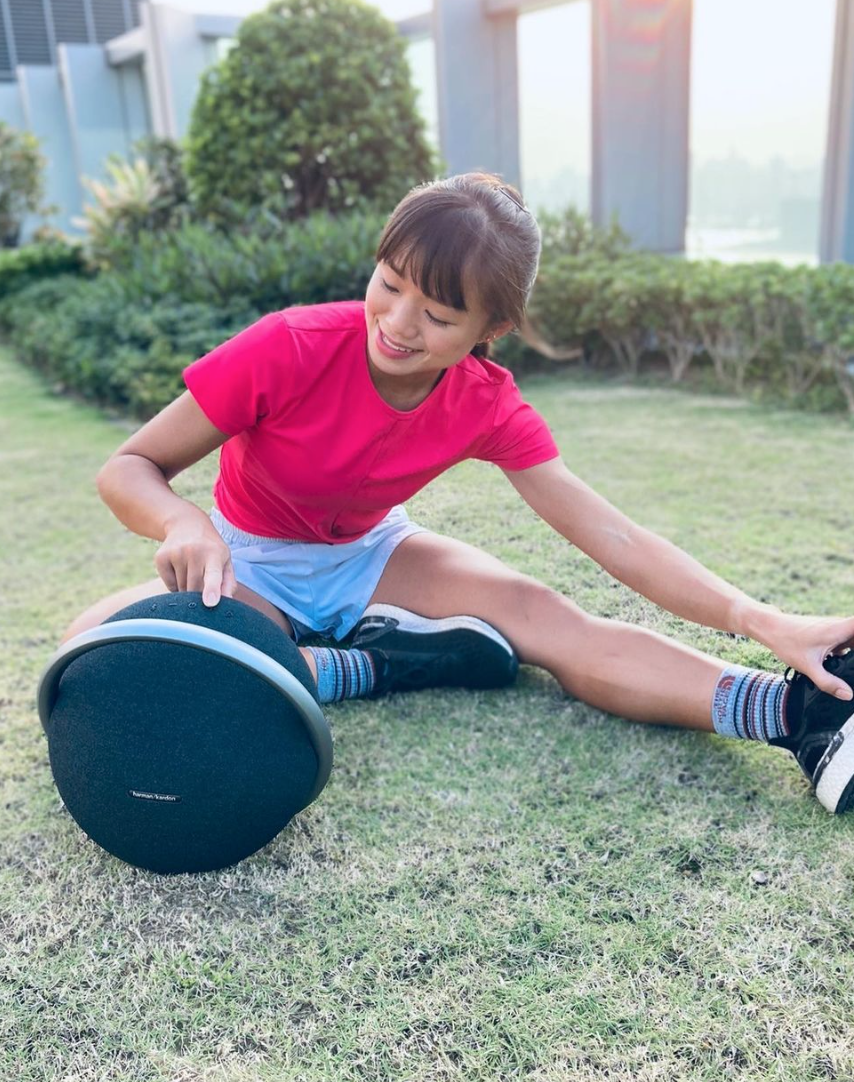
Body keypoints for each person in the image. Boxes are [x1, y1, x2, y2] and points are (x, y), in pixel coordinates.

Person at [64, 172, 854, 814]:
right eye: (389, 284)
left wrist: (761, 620)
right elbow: (128, 467)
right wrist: (182, 522)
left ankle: (799, 717)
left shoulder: (485, 400)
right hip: (247, 563)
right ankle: (376, 664)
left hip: (371, 555)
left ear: (489, 329)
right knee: (92, 651)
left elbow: (613, 538)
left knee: (546, 617)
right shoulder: (289, 347)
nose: (399, 324)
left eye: (438, 315)